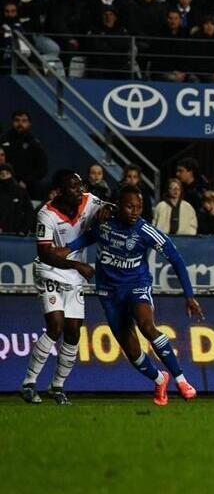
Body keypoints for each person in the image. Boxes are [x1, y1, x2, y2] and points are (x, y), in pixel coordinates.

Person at [60, 185, 203, 405]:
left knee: (147, 325)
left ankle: (181, 380)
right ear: (118, 206)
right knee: (132, 350)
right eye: (129, 206)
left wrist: (189, 296)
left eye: (139, 207)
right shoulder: (104, 224)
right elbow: (87, 238)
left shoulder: (145, 231)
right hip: (108, 291)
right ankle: (159, 378)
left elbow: (176, 259)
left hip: (136, 285)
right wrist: (67, 249)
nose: (135, 211)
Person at [19, 171, 106, 405]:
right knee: (55, 326)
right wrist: (77, 263)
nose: (80, 190)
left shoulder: (90, 202)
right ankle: (29, 383)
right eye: (73, 187)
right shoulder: (46, 215)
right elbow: (44, 254)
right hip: (50, 270)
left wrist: (109, 212)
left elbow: (111, 211)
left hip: (74, 275)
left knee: (73, 332)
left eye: (80, 185)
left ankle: (57, 387)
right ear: (59, 191)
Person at [1, 110, 47, 197]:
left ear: (29, 124)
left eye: (24, 121)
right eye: (17, 120)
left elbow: (42, 169)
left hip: (27, 187)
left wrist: (26, 181)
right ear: (12, 122)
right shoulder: (2, 140)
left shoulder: (34, 144)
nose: (20, 124)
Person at [0, 163, 33, 235]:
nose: (5, 176)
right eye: (2, 174)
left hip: (17, 235)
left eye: (7, 173)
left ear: (11, 174)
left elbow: (29, 212)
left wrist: (24, 230)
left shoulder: (21, 192)